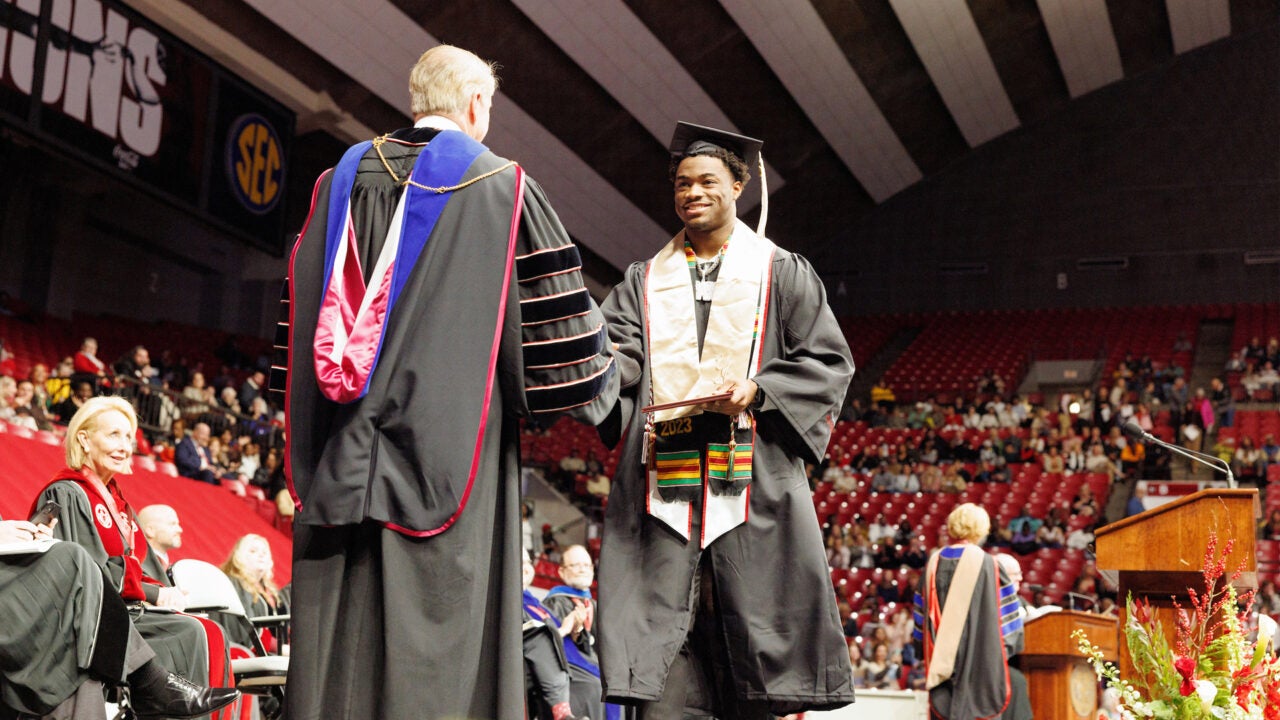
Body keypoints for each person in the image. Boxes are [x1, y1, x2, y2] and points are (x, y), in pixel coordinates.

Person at [281, 45, 618, 720]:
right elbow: (558, 346)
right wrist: (608, 384)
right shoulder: (500, 185)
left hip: (341, 451)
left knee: (338, 636)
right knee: (436, 638)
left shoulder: (339, 179)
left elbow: (299, 312)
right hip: (450, 446)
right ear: (475, 104)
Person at [596, 122, 855, 717]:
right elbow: (622, 352)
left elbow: (827, 360)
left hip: (752, 484)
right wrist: (604, 367)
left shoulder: (780, 272)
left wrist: (760, 390)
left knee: (751, 661)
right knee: (666, 678)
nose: (693, 192)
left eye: (708, 180)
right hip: (664, 489)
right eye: (683, 183)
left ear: (739, 185)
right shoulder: (644, 279)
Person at [31, 397, 234, 701]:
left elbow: (142, 565)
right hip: (91, 619)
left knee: (211, 631)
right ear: (84, 439)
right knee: (193, 633)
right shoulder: (67, 492)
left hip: (128, 611)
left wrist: (168, 593)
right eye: (114, 434)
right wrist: (154, 594)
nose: (125, 446)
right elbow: (86, 572)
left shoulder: (120, 506)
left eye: (129, 437)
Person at [0, 517, 239, 720]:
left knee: (195, 630)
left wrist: (30, 538)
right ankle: (148, 681)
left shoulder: (119, 502)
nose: (126, 458)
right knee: (71, 560)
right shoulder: (68, 490)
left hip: (87, 598)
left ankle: (149, 683)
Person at [913, 503, 1018, 720]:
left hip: (942, 673)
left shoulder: (933, 564)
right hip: (982, 673)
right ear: (981, 529)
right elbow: (1010, 626)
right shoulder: (991, 565)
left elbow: (920, 624)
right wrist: (997, 656)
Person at [541, 545, 607, 720]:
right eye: (576, 565)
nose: (582, 569)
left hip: (595, 667)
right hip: (571, 673)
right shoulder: (554, 602)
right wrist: (575, 634)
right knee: (595, 687)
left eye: (587, 565)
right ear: (562, 571)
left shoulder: (595, 605)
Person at [520, 555, 582, 720]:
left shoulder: (535, 602)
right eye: (520, 562)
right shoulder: (505, 599)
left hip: (551, 667)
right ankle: (562, 713)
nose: (526, 568)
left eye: (528, 562)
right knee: (541, 636)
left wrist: (576, 630)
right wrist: (564, 629)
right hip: (524, 661)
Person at [219, 534, 288, 651]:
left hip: (280, 655)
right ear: (239, 557)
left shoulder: (271, 591)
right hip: (258, 655)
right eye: (253, 551)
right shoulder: (235, 585)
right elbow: (244, 627)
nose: (261, 555)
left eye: (265, 552)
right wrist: (283, 649)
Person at [993, 554, 1033, 720]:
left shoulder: (1020, 601)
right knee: (1017, 681)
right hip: (997, 663)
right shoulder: (991, 600)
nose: (1020, 578)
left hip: (1023, 661)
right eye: (1015, 574)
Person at [136, 504, 183, 584]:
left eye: (178, 524)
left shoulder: (171, 568)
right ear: (150, 530)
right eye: (172, 524)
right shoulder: (137, 565)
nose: (180, 530)